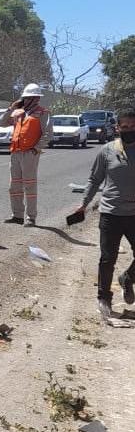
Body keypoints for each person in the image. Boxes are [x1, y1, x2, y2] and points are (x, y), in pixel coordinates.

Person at [70, 108, 135, 319]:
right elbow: (94, 179)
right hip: (111, 213)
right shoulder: (107, 150)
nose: (129, 130)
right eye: (124, 127)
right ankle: (104, 298)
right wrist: (84, 204)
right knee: (108, 258)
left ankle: (127, 278)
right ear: (117, 128)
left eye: (133, 126)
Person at [0, 83, 51, 226]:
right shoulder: (18, 112)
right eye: (24, 98)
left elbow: (48, 133)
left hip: (30, 153)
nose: (25, 101)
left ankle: (31, 217)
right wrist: (11, 108)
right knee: (14, 186)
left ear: (36, 98)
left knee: (29, 185)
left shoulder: (42, 112)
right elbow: (1, 123)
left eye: (28, 98)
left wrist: (36, 148)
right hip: (15, 152)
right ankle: (17, 215)